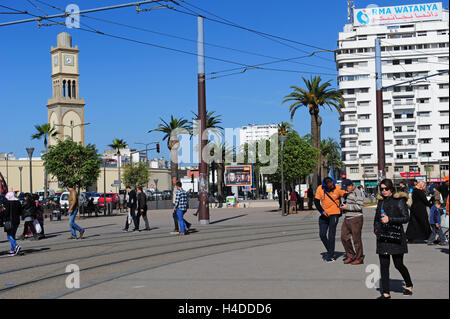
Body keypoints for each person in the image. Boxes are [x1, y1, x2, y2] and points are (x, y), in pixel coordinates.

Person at [374, 179, 413, 299]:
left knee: (398, 264)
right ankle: (386, 293)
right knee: (384, 266)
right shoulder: (381, 201)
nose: (384, 191)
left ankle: (409, 284)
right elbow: (376, 218)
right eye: (382, 189)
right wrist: (376, 229)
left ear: (391, 189)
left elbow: (406, 218)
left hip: (395, 237)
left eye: (386, 189)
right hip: (383, 237)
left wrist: (390, 219)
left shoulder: (399, 200)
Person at [314, 177, 347, 263]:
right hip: (324, 214)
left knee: (331, 235)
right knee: (322, 235)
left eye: (332, 184)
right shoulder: (320, 188)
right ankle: (330, 250)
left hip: (334, 214)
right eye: (329, 186)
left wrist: (344, 204)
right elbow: (316, 201)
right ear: (325, 185)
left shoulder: (337, 188)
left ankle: (330, 255)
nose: (331, 186)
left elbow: (346, 196)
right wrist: (321, 211)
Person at [340, 179, 364, 265]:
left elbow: (359, 206)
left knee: (356, 239)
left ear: (350, 185)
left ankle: (359, 258)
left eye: (346, 188)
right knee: (344, 237)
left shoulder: (357, 192)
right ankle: (351, 255)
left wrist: (346, 207)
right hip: (347, 217)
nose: (345, 190)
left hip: (356, 218)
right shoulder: (348, 193)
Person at [0, 192, 23, 256]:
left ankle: (16, 246)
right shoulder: (18, 202)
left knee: (9, 235)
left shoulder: (6, 203)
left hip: (9, 221)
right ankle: (12, 250)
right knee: (13, 235)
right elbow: (21, 212)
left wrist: (1, 216)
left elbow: (5, 213)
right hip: (17, 221)